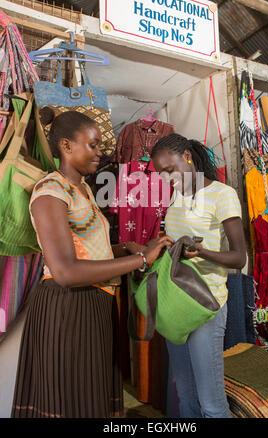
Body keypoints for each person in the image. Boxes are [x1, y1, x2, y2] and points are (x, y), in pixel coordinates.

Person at [11, 110, 173, 419]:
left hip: (93, 304)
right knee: (72, 401)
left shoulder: (83, 191)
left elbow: (86, 250)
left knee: (90, 395)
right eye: (93, 145)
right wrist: (139, 259)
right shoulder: (50, 193)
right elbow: (65, 272)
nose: (101, 153)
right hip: (68, 309)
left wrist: (123, 247)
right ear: (67, 146)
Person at [151, 133, 247, 419]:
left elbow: (239, 257)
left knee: (211, 404)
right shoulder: (177, 198)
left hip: (207, 307)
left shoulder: (222, 194)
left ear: (188, 157)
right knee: (185, 396)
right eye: (161, 174)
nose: (167, 179)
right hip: (177, 306)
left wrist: (203, 252)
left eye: (170, 170)